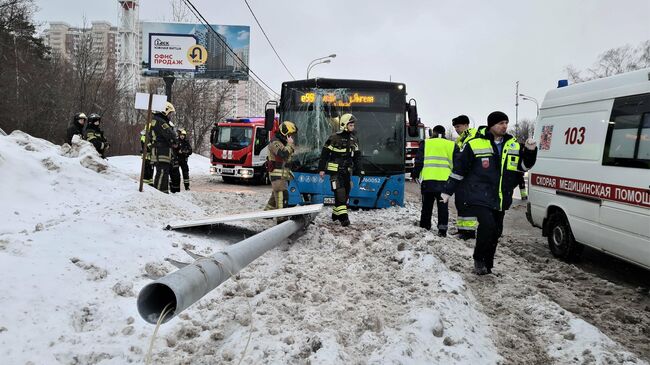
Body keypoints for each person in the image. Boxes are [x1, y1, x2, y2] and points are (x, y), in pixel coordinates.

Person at [442, 111, 537, 275]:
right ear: (491, 125)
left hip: (501, 196)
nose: (504, 126)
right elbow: (460, 169)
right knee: (487, 225)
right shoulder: (475, 143)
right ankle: (479, 260)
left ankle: (488, 264)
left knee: (496, 231)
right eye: (501, 123)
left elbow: (523, 167)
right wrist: (448, 190)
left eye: (506, 122)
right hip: (479, 194)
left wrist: (530, 151)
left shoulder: (513, 144)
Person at [318, 113, 361, 227]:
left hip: (346, 172)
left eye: (353, 125)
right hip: (335, 172)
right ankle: (344, 219)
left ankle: (335, 214)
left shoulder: (354, 139)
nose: (353, 127)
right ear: (344, 125)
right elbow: (324, 155)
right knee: (340, 193)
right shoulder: (333, 138)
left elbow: (357, 157)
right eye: (351, 125)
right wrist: (321, 169)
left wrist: (360, 171)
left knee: (345, 194)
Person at [411, 125, 455, 237]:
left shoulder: (426, 143)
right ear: (444, 133)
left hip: (428, 181)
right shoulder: (452, 145)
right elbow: (456, 164)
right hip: (445, 182)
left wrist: (415, 174)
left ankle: (425, 226)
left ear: (433, 133)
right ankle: (442, 230)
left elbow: (419, 160)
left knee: (427, 205)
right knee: (443, 207)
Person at [451, 115, 479, 240]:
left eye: (458, 126)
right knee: (460, 203)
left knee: (467, 205)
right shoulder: (461, 139)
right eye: (455, 127)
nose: (456, 129)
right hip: (462, 177)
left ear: (466, 125)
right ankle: (461, 230)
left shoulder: (472, 137)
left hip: (470, 178)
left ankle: (469, 233)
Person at [264, 121, 297, 219]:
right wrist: (290, 145)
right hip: (277, 175)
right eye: (290, 134)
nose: (291, 137)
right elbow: (283, 154)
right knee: (282, 196)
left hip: (283, 175)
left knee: (275, 197)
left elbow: (286, 159)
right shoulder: (275, 142)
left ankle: (266, 215)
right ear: (284, 132)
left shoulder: (283, 142)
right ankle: (281, 220)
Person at [150, 102, 178, 194]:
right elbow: (171, 135)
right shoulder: (161, 121)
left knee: (163, 172)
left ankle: (163, 193)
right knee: (162, 172)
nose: (170, 116)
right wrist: (174, 140)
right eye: (170, 113)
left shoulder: (156, 120)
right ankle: (158, 194)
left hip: (159, 151)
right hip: (161, 151)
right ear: (165, 111)